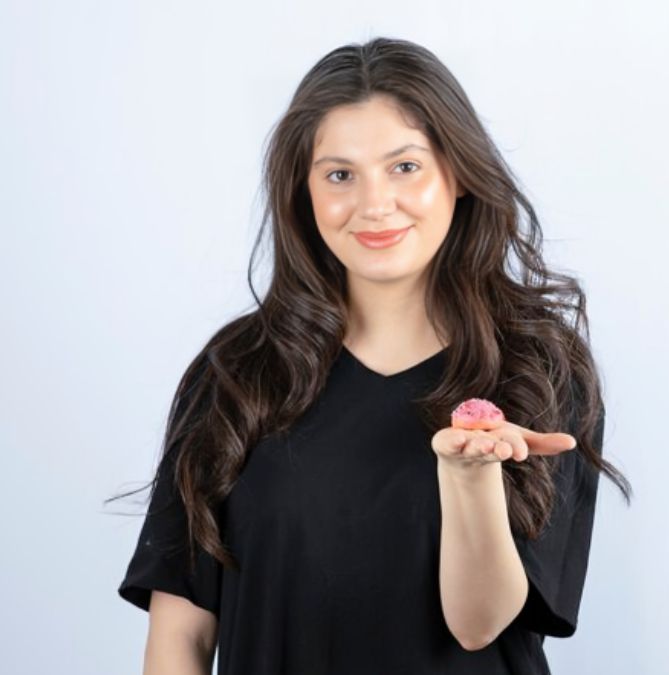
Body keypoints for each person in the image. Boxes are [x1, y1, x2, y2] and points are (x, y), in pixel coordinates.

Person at [111, 37, 631, 675]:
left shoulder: (537, 366)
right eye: (340, 175)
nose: (374, 204)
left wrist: (470, 479)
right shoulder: (236, 374)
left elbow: (479, 625)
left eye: (405, 166)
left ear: (458, 173)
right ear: (303, 193)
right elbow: (179, 638)